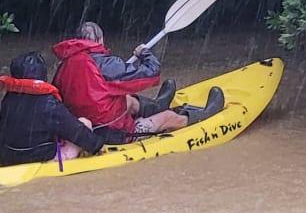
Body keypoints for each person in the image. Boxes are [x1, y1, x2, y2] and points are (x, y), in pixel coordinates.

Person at [52, 21, 224, 140]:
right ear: (100, 40)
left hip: (86, 128)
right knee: (169, 117)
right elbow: (151, 73)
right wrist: (144, 53)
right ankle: (203, 116)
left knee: (128, 100)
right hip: (114, 132)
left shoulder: (63, 67)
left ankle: (158, 105)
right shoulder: (107, 65)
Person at [0, 51, 122, 166]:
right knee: (84, 123)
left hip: (7, 156)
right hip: (37, 158)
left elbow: (1, 131)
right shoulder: (47, 102)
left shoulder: (9, 98)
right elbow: (75, 131)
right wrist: (98, 145)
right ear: (41, 74)